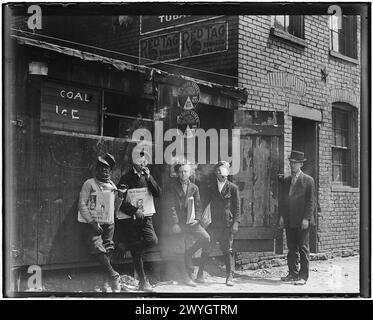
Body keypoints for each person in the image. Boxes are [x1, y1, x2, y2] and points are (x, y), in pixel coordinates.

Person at [78, 153, 125, 292]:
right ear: (97, 169)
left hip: (109, 223)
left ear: (110, 171)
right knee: (97, 247)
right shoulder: (89, 183)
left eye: (107, 169)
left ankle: (106, 282)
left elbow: (114, 208)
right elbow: (81, 204)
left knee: (108, 249)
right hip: (92, 224)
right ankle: (114, 275)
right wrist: (92, 223)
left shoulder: (112, 185)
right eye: (102, 168)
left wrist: (120, 196)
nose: (104, 171)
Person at [115, 150, 161, 292]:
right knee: (136, 252)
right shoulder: (126, 178)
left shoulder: (148, 176)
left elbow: (158, 193)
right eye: (139, 160)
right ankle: (143, 281)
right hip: (131, 219)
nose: (143, 163)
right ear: (133, 162)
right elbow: (120, 202)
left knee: (152, 241)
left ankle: (127, 245)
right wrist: (135, 211)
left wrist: (149, 178)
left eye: (145, 160)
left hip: (147, 217)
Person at [197, 161, 241, 286]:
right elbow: (203, 203)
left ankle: (229, 276)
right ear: (217, 173)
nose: (224, 175)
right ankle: (200, 274)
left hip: (226, 224)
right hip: (212, 224)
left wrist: (236, 223)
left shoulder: (232, 188)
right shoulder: (211, 188)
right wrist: (199, 220)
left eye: (226, 172)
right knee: (206, 248)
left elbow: (237, 207)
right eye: (221, 172)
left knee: (227, 250)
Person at [168, 163, 211, 286]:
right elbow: (170, 206)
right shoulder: (172, 187)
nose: (183, 174)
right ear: (177, 173)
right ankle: (185, 277)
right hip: (179, 223)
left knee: (206, 238)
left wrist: (197, 219)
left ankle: (190, 255)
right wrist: (175, 223)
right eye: (181, 172)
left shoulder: (194, 187)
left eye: (186, 171)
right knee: (180, 248)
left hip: (191, 222)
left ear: (190, 173)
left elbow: (198, 205)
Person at [278, 150, 316, 285]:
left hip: (302, 221)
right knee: (291, 248)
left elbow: (311, 202)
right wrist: (282, 217)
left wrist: (306, 218)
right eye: (291, 162)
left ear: (301, 164)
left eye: (295, 163)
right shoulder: (287, 180)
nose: (292, 165)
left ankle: (303, 276)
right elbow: (283, 201)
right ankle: (293, 273)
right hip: (289, 220)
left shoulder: (308, 180)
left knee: (303, 248)